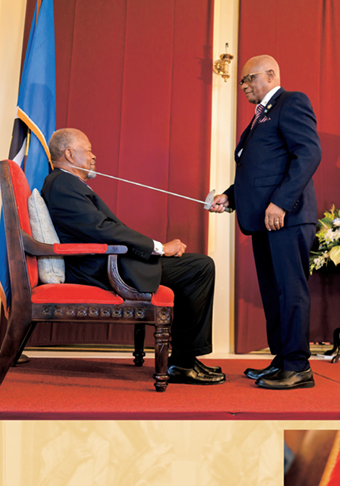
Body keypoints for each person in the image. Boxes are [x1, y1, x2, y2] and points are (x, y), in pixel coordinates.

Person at [42, 128, 223, 385]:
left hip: (106, 260)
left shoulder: (68, 183)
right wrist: (159, 247)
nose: (94, 156)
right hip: (98, 267)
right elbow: (100, 230)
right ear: (70, 154)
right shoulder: (62, 183)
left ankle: (185, 359)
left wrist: (155, 247)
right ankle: (183, 362)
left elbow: (101, 229)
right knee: (200, 267)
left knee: (198, 265)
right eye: (89, 150)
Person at [209, 54, 322, 390]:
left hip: (286, 217)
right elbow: (259, 170)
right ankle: (282, 360)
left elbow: (309, 153)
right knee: (274, 295)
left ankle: (298, 367)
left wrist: (280, 203)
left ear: (271, 74)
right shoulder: (260, 117)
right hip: (264, 220)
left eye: (249, 79)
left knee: (291, 292)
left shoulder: (292, 102)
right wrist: (229, 196)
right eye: (242, 81)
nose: (243, 86)